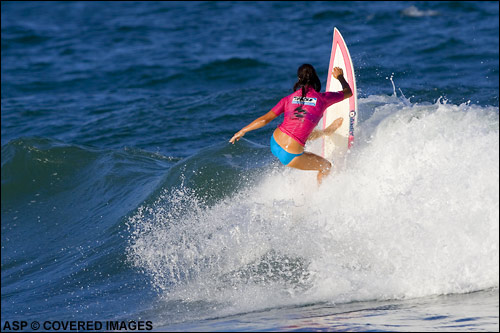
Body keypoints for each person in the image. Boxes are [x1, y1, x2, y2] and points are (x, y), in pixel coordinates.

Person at [229, 64, 352, 184]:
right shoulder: (323, 98)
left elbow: (265, 119)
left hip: (275, 143)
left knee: (301, 132)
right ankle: (318, 196)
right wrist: (340, 76)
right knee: (326, 166)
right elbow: (348, 92)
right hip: (291, 155)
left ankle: (325, 132)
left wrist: (242, 131)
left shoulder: (287, 99)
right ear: (315, 78)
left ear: (299, 79)